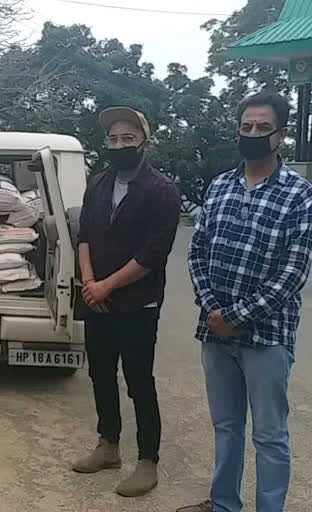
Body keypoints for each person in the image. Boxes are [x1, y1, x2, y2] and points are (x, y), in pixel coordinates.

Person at [179, 93, 312, 512]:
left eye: (262, 128)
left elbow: (293, 272)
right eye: (246, 127)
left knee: (270, 435)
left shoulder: (300, 195)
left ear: (281, 136)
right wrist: (212, 307)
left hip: (268, 336)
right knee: (226, 428)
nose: (253, 134)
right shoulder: (219, 187)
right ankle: (223, 505)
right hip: (214, 332)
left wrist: (237, 316)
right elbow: (197, 250)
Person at [71, 106, 181, 497]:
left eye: (128, 139)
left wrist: (108, 287)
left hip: (138, 303)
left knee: (138, 381)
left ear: (143, 143)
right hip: (95, 299)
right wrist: (89, 283)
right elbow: (83, 235)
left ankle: (147, 460)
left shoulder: (162, 190)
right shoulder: (99, 184)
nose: (119, 145)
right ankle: (108, 445)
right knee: (100, 374)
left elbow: (153, 254)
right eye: (113, 139)